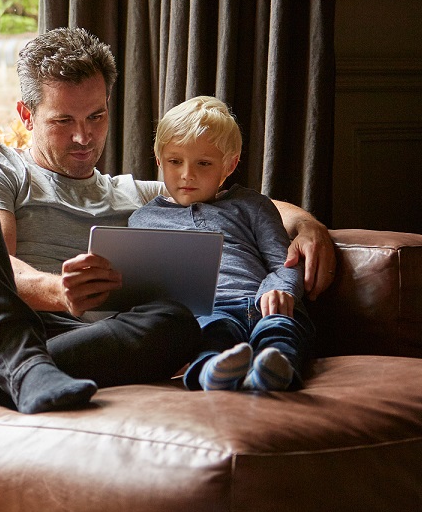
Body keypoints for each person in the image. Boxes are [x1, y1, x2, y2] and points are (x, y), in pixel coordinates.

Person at [0, 27, 336, 458]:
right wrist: (56, 291)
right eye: (62, 120)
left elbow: (244, 201)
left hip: (69, 351)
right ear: (26, 115)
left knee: (176, 323)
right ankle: (12, 356)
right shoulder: (4, 171)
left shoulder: (133, 194)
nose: (83, 136)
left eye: (96, 115)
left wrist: (307, 226)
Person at [129, 96, 315, 392]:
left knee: (281, 326)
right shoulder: (143, 219)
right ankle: (212, 371)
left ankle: (275, 368)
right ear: (159, 161)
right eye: (175, 161)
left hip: (262, 302)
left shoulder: (252, 205)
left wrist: (279, 290)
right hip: (207, 311)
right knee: (210, 331)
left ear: (229, 165)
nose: (187, 174)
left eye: (204, 163)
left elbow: (283, 261)